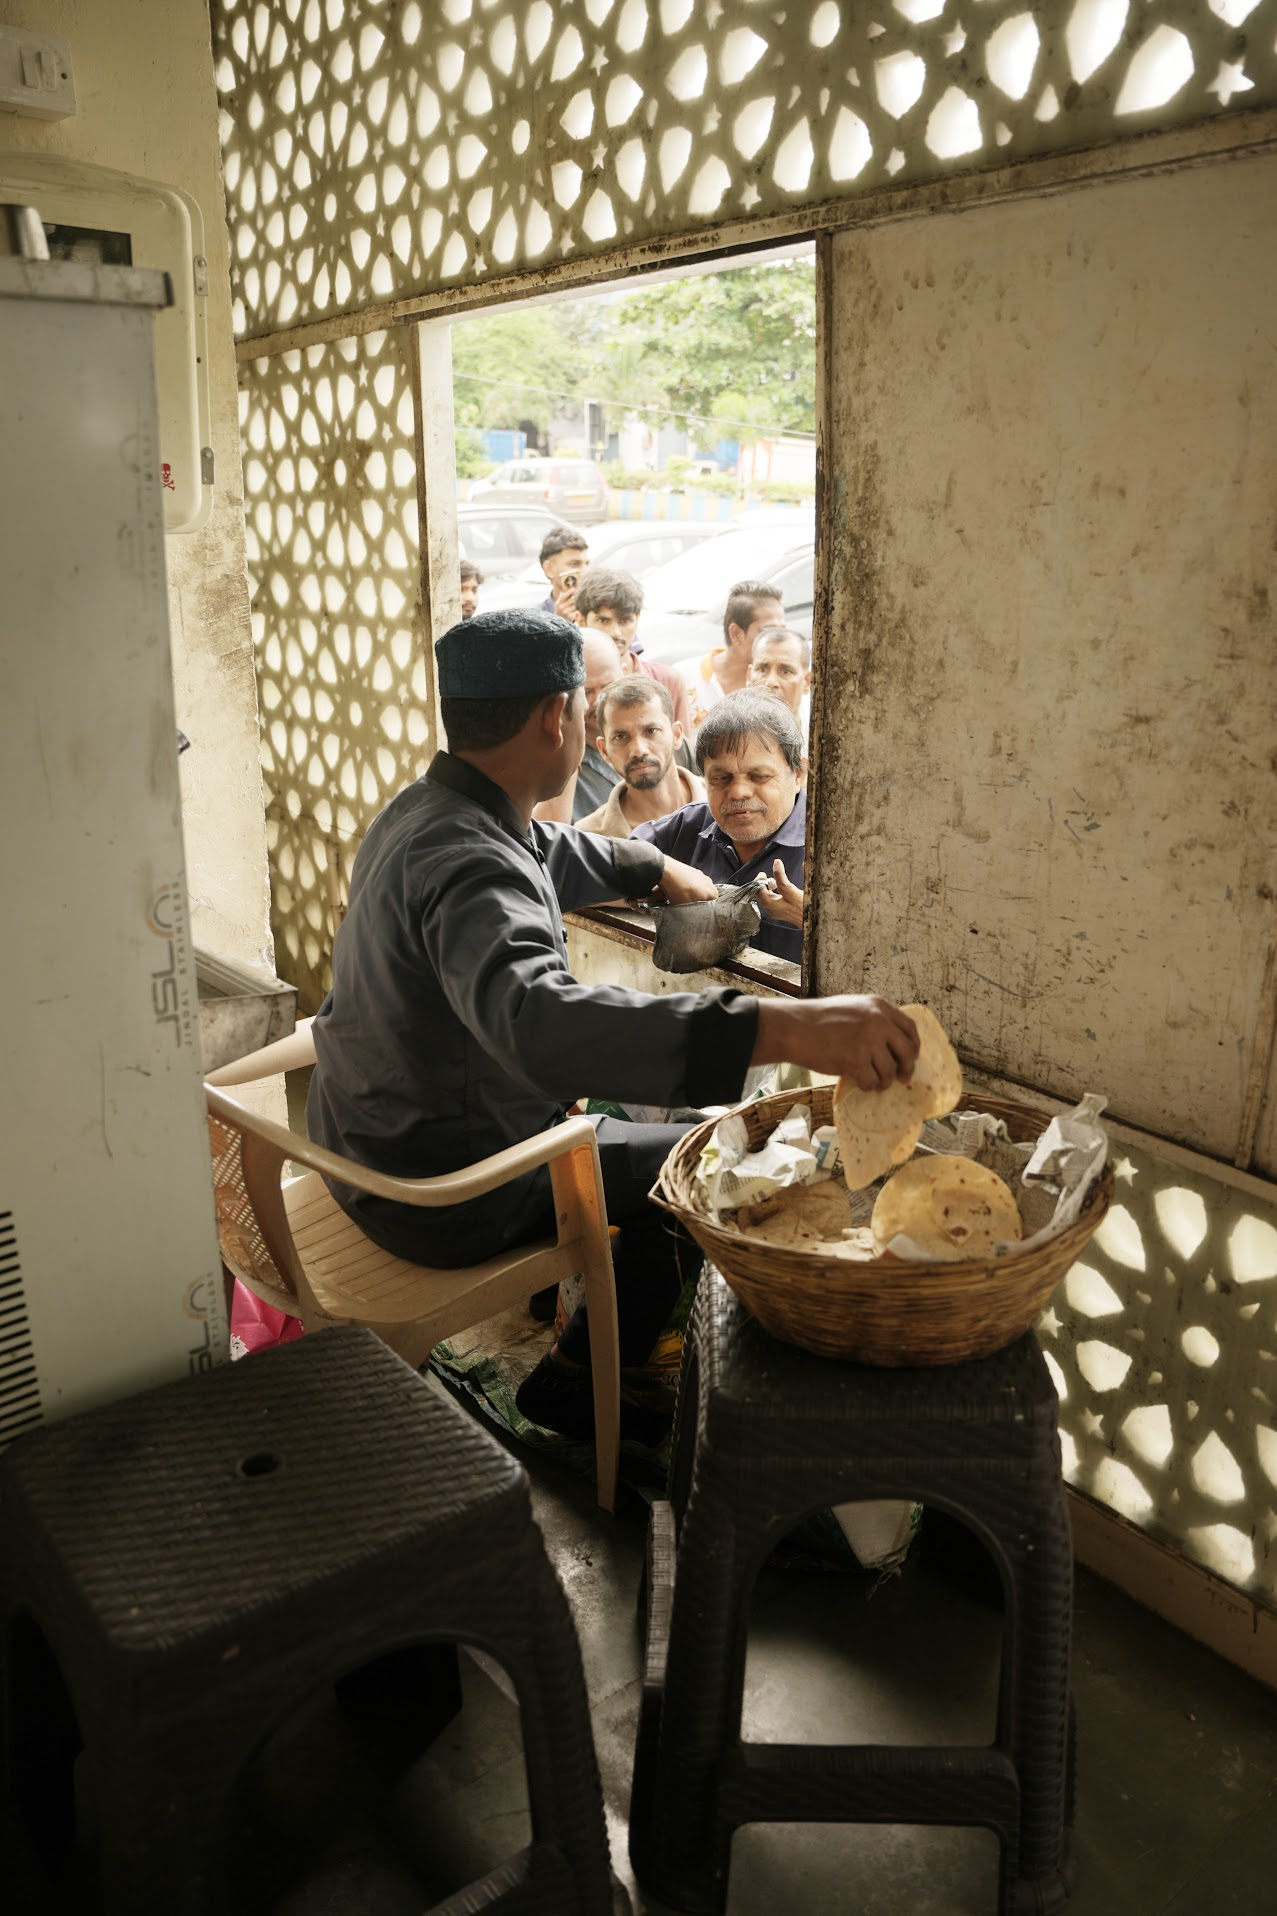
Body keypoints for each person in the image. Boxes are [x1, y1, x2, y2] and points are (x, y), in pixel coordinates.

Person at [307, 610, 919, 1441]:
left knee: (668, 1142)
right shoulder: (473, 859)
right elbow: (545, 1028)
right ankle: (586, 1377)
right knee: (719, 1164)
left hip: (359, 1140)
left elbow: (544, 849)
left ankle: (600, 1350)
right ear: (557, 718)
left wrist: (653, 864)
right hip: (442, 1190)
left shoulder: (426, 811)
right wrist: (785, 1030)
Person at [633, 690, 807, 965]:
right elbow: (595, 870)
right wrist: (658, 870)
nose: (738, 792)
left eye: (759, 776)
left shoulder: (835, 851)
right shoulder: (685, 830)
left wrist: (810, 919)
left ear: (798, 774)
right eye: (721, 778)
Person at [576, 678, 705, 838]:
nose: (638, 750)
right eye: (621, 737)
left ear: (676, 735)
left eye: (651, 731)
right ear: (604, 750)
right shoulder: (588, 838)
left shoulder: (725, 802)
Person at [574, 564, 692, 733]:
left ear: (637, 618)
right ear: (581, 620)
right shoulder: (570, 687)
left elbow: (681, 752)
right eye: (604, 620)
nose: (615, 632)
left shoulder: (667, 680)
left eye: (624, 621)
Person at [533, 627, 626, 826]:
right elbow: (547, 836)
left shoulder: (664, 738)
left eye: (609, 685)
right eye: (587, 691)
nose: (600, 701)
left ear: (625, 673)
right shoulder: (553, 761)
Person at [680, 579, 785, 733]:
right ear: (736, 633)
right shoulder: (684, 677)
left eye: (782, 631)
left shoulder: (781, 686)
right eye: (769, 631)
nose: (779, 640)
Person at [747, 622, 811, 735]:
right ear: (748, 676)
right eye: (762, 670)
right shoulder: (727, 742)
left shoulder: (820, 741)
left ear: (807, 682)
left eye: (786, 671)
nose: (771, 682)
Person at [537, 524, 590, 622]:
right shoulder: (537, 621)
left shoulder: (597, 612)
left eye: (587, 564)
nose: (585, 572)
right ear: (549, 569)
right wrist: (560, 624)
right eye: (574, 564)